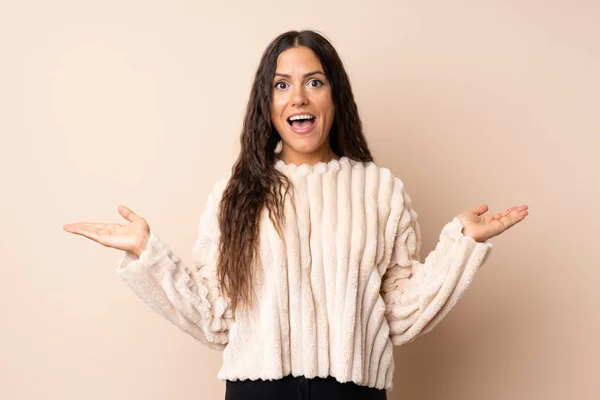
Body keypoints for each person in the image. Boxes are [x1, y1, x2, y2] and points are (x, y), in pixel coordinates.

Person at [63, 30, 529, 400]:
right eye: (281, 85)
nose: (298, 97)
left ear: (334, 97)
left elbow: (398, 315)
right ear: (267, 105)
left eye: (314, 82)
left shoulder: (380, 191)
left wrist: (461, 245)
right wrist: (149, 254)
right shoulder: (235, 193)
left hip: (353, 395)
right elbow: (214, 317)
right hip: (255, 394)